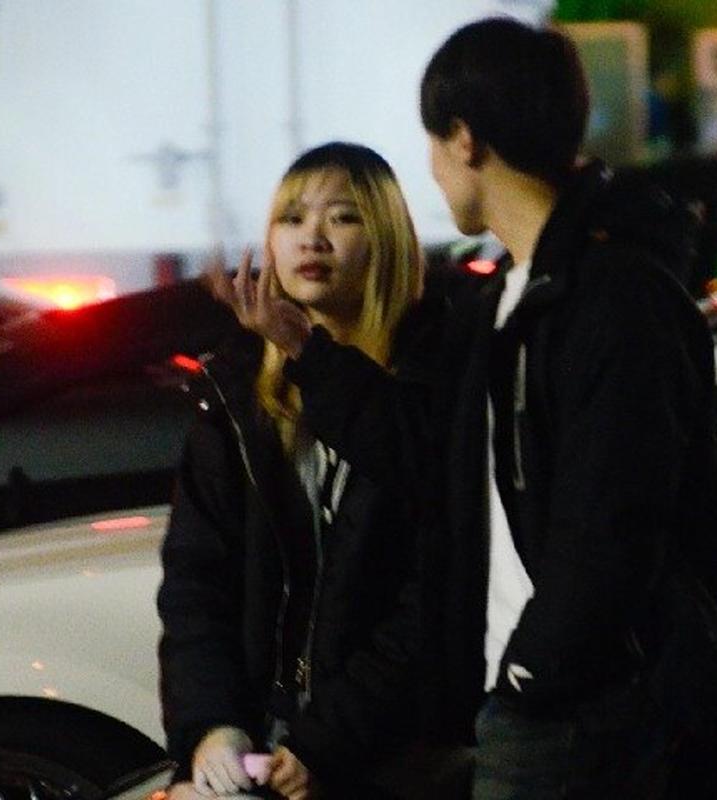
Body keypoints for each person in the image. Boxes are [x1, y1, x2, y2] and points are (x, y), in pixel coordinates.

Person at [230, 17, 717, 800]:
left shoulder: (613, 298)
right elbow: (433, 461)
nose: (434, 173)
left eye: (434, 146)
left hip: (576, 707)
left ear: (465, 140)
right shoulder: (500, 301)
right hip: (517, 698)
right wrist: (309, 355)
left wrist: (533, 668)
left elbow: (613, 518)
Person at [157, 142, 431, 800]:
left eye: (342, 217)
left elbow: (427, 605)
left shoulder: (429, 383)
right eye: (291, 217)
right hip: (268, 737)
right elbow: (198, 588)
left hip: (392, 750)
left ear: (387, 235)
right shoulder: (235, 395)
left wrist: (326, 744)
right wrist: (212, 729)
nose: (311, 236)